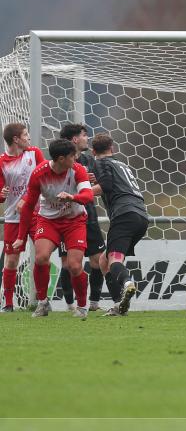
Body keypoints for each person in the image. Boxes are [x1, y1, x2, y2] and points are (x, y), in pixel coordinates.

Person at [13, 139, 95, 318]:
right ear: (60, 159)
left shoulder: (78, 170)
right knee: (41, 258)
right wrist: (21, 235)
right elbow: (28, 207)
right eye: (73, 156)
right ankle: (43, 303)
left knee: (74, 266)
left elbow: (88, 196)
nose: (76, 158)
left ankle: (82, 306)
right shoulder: (39, 174)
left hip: (75, 221)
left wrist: (72, 197)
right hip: (48, 220)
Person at [91, 134, 149, 316]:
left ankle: (127, 283)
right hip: (141, 215)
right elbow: (111, 182)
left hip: (124, 215)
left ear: (93, 152)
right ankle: (118, 306)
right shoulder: (122, 165)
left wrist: (79, 195)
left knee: (113, 260)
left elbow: (106, 185)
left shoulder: (100, 163)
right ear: (112, 148)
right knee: (103, 260)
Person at [59, 123, 107, 311]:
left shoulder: (90, 160)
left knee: (97, 260)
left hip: (89, 217)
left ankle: (94, 303)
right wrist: (81, 181)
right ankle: (70, 305)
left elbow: (102, 184)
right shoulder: (60, 161)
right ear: (74, 139)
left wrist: (90, 183)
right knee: (69, 263)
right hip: (67, 217)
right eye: (84, 135)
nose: (88, 138)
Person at [0, 123, 45, 312]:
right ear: (16, 139)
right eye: (25, 135)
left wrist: (27, 198)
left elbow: (45, 177)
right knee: (11, 261)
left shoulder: (34, 153)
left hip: (37, 214)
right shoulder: (1, 161)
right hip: (13, 217)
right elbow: (1, 193)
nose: (29, 138)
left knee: (43, 256)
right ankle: (8, 303)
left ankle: (42, 301)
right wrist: (1, 194)